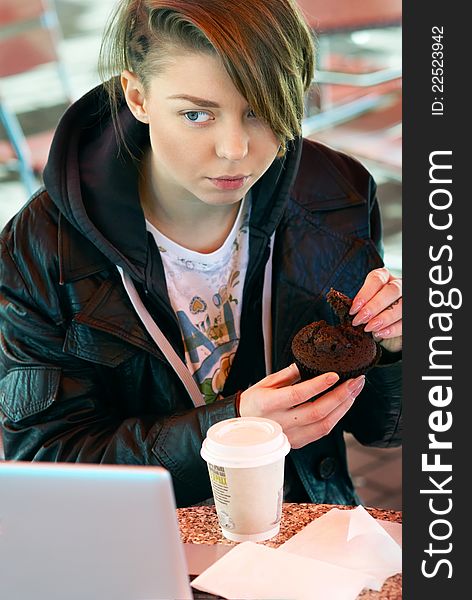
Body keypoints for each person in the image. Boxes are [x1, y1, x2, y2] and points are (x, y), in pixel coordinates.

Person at [0, 0, 402, 506]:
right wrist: (228, 432)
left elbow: (386, 430)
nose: (234, 148)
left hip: (307, 538)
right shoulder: (42, 247)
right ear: (138, 96)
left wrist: (396, 348)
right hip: (143, 552)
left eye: (259, 111)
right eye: (196, 114)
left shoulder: (334, 192)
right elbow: (45, 467)